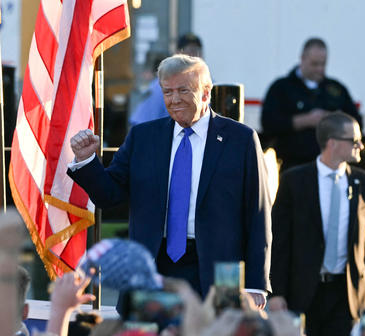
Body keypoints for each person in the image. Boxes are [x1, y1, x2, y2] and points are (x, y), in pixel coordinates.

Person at [68, 54, 271, 306]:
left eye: (183, 91)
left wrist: (255, 284)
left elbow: (258, 215)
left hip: (217, 273)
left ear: (206, 93)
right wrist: (87, 161)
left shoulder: (240, 140)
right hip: (153, 268)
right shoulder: (143, 137)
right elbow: (109, 195)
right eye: (167, 92)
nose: (174, 100)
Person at [269, 112, 365, 336]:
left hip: (347, 295)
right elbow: (280, 243)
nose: (361, 145)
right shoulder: (294, 182)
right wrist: (276, 293)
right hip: (304, 294)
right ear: (332, 143)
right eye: (354, 140)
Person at [261, 37, 362, 172]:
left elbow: (357, 122)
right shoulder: (282, 88)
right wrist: (306, 120)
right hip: (293, 165)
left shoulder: (336, 90)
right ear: (302, 58)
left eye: (323, 64)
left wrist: (331, 120)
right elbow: (268, 123)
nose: (319, 69)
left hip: (330, 166)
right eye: (314, 64)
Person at [129, 33, 203, 126]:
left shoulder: (208, 84)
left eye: (197, 51)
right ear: (177, 54)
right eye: (188, 51)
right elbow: (141, 123)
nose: (193, 56)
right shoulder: (161, 86)